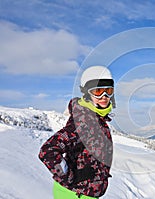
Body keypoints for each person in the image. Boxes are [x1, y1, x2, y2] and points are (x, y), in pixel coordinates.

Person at [39, 66, 115, 199]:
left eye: (108, 91)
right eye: (98, 91)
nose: (105, 96)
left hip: (82, 193)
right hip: (75, 195)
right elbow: (47, 151)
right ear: (87, 93)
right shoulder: (84, 122)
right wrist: (70, 177)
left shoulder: (94, 118)